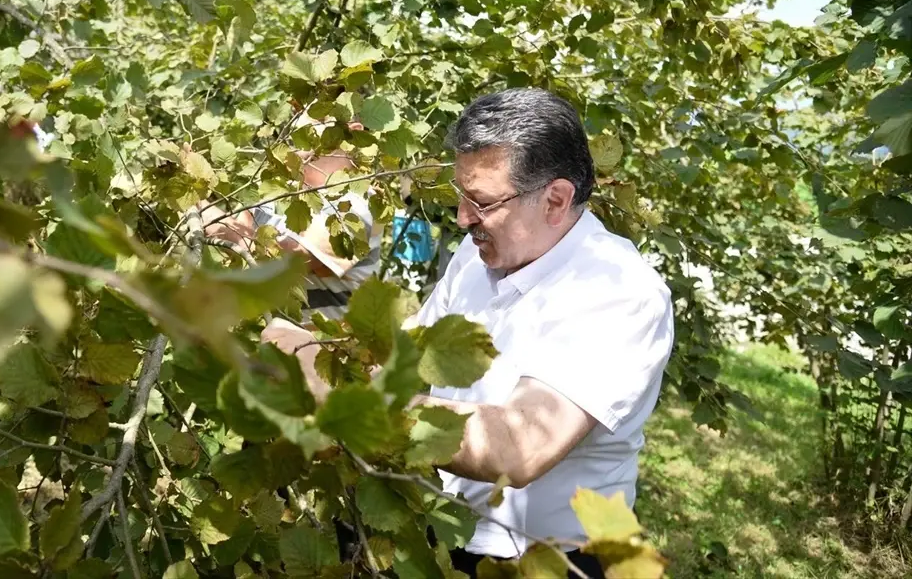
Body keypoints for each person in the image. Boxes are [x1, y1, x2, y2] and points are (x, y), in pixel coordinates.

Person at [261, 88, 674, 578]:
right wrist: (328, 353)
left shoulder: (618, 290)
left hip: (551, 561)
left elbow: (518, 446)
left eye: (481, 202)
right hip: (445, 532)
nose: (461, 220)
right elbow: (413, 352)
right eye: (461, 196)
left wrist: (342, 394)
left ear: (556, 200)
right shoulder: (480, 257)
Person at [203, 114, 382, 320]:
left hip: (326, 347)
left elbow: (279, 261)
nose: (294, 127)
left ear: (351, 134)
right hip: (270, 344)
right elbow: (236, 243)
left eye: (315, 118)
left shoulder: (360, 204)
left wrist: (199, 207)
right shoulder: (276, 191)